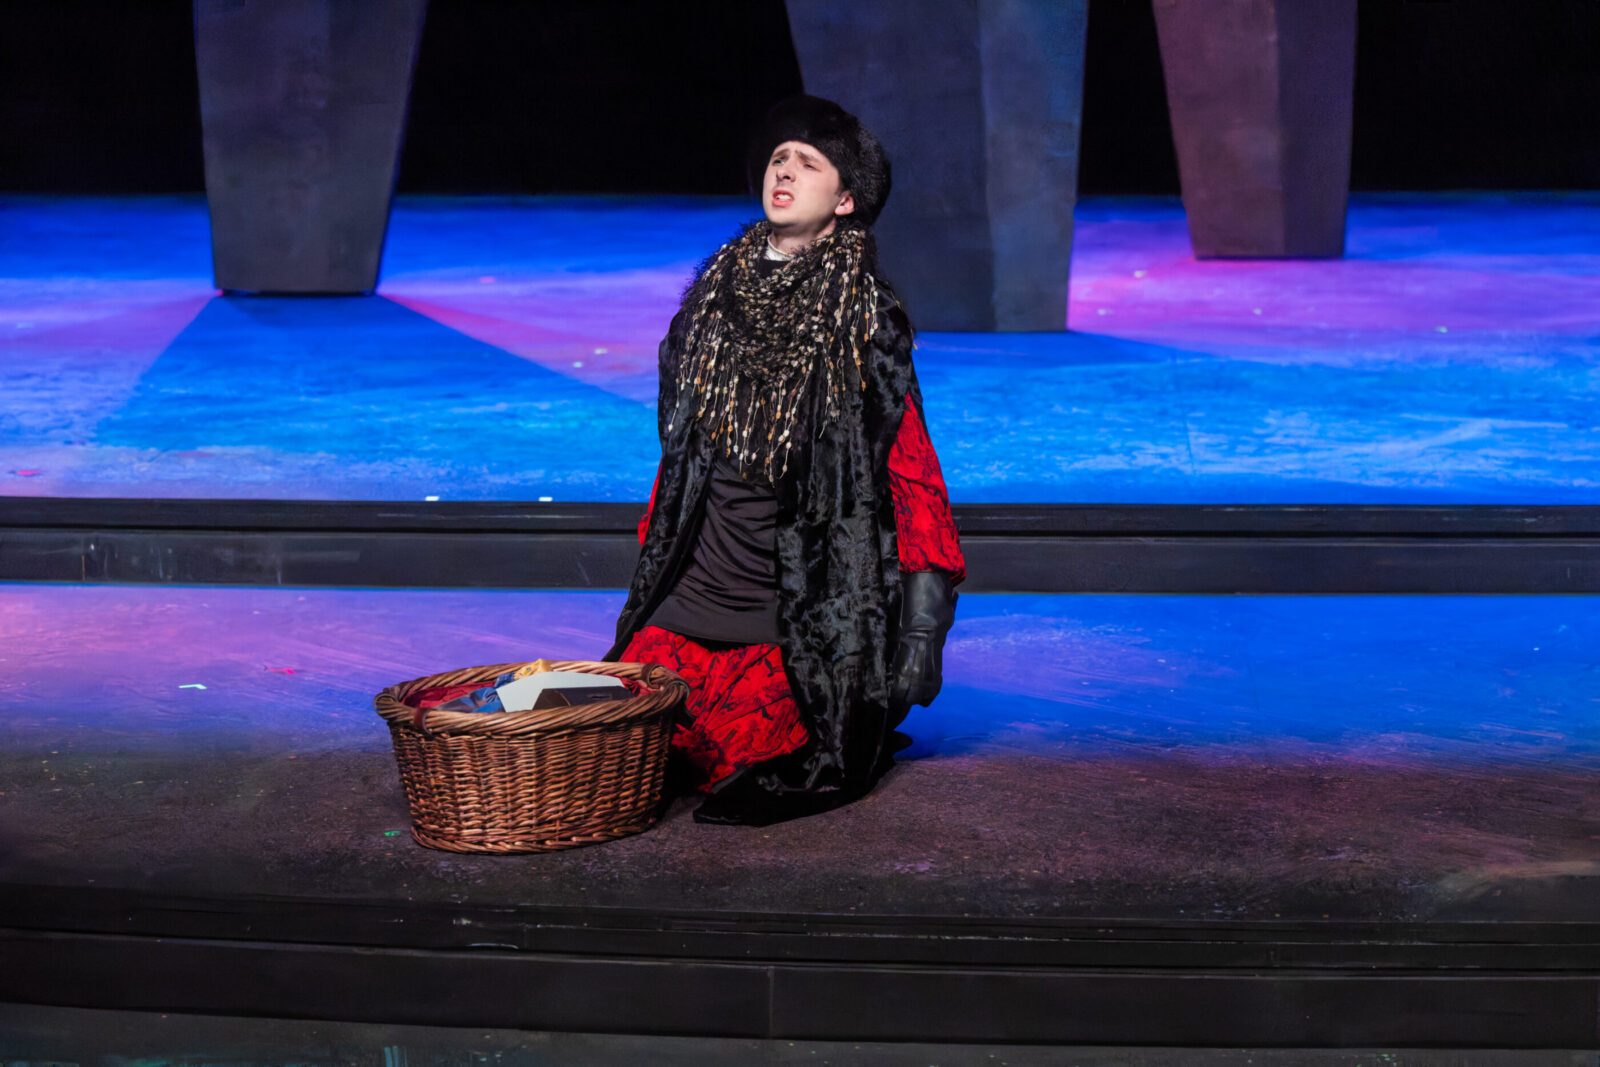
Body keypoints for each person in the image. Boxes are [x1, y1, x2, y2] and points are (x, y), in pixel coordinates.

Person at [607, 95, 964, 826]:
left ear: (845, 199)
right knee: (623, 749)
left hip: (794, 617)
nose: (785, 171)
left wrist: (923, 631)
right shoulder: (706, 304)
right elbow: (677, 466)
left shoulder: (864, 317)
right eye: (778, 160)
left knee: (761, 759)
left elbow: (912, 474)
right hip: (693, 599)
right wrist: (653, 568)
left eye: (808, 163)